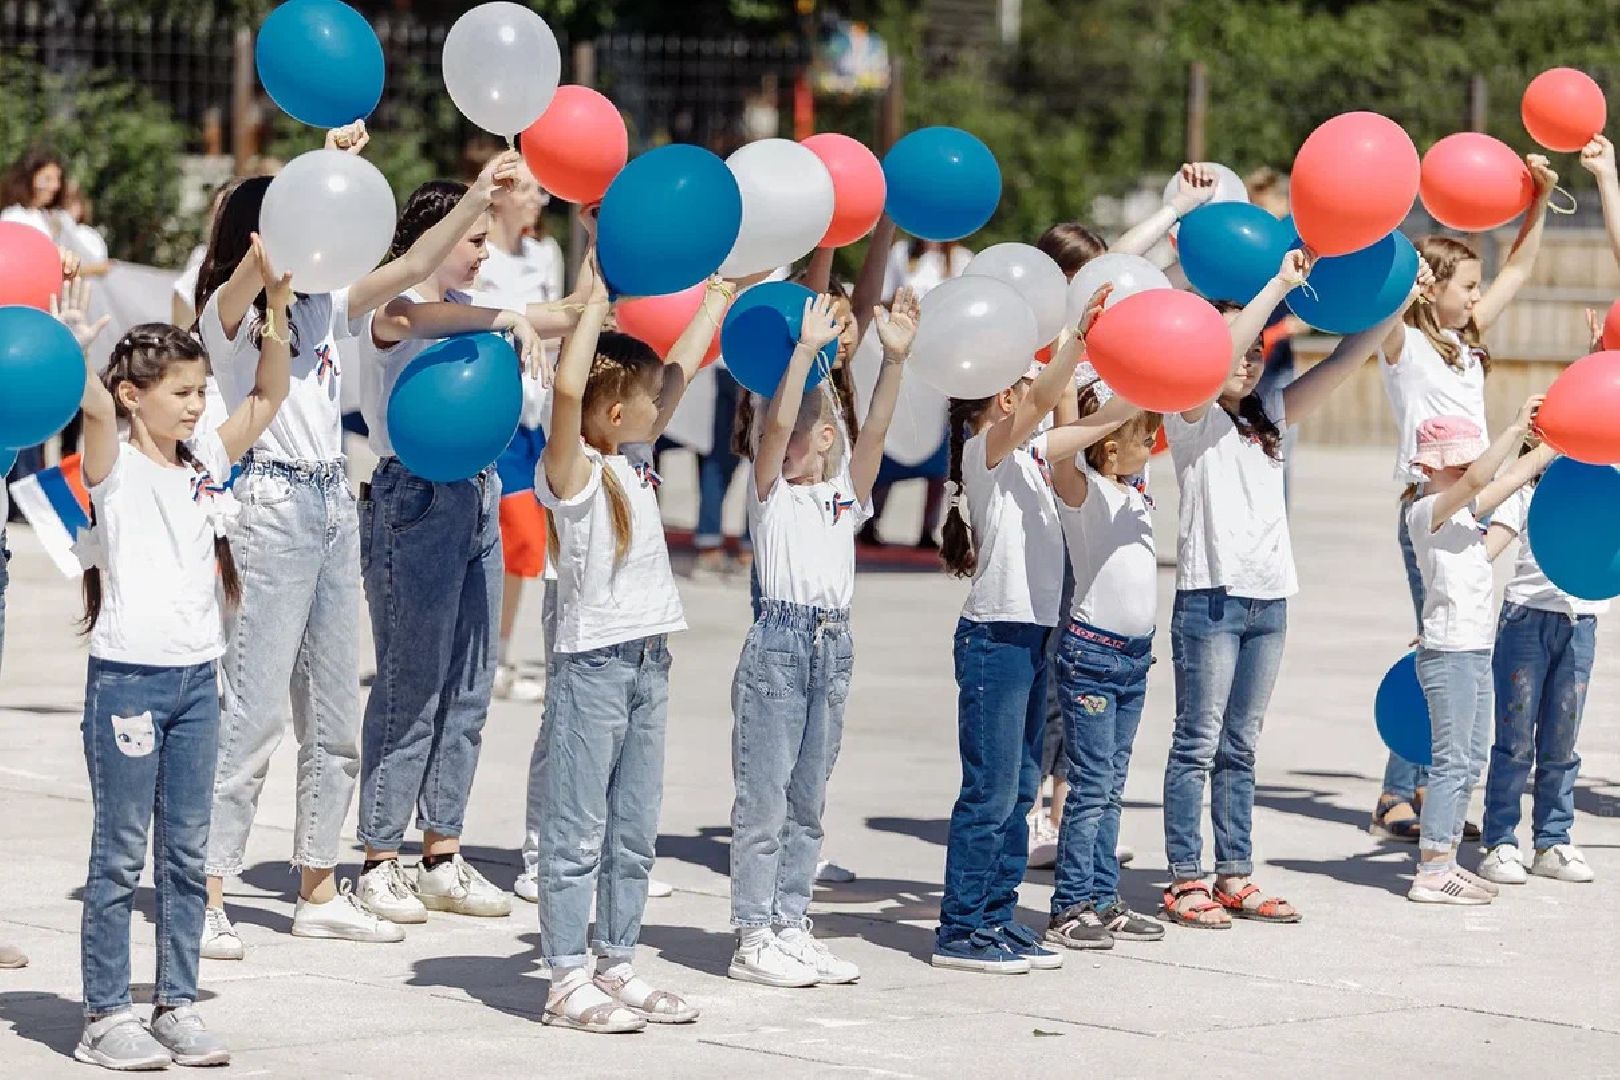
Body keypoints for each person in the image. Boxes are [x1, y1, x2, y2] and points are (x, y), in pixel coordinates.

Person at [194, 129, 528, 959]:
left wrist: (480, 195)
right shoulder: (226, 314)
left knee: (336, 718)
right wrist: (318, 172)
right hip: (270, 505)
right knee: (254, 714)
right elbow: (259, 274)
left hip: (332, 503)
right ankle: (205, 890)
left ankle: (317, 887)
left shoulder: (325, 305)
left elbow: (413, 265)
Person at [1159, 250, 1429, 929]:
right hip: (1211, 600)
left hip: (1269, 600)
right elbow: (1213, 364)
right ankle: (1186, 878)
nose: (1248, 360)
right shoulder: (1189, 414)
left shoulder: (1270, 414)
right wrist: (1278, 284)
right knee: (1197, 742)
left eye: (1257, 351)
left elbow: (1344, 360)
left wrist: (1399, 302)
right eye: (1237, 347)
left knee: (1240, 746)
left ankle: (1234, 874)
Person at [70, 239, 290, 1069]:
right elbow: (93, 408)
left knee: (187, 856)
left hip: (200, 683)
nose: (199, 406)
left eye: (201, 391)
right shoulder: (115, 466)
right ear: (135, 396)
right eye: (183, 392)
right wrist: (71, 343)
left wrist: (275, 311)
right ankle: (104, 1015)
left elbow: (270, 392)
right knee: (120, 854)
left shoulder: (209, 459)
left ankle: (175, 1004)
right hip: (128, 682)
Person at [348, 174, 568, 927]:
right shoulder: (392, 305)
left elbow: (563, 313)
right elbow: (414, 318)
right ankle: (379, 859)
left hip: (477, 492)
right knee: (411, 684)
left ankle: (441, 854)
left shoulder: (477, 307)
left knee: (471, 686)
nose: (483, 252)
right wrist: (509, 317)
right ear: (435, 241)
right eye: (473, 239)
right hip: (413, 498)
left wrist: (605, 265)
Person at [532, 249, 728, 1032]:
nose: (661, 405)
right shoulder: (573, 474)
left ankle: (616, 962)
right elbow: (568, 389)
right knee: (576, 831)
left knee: (633, 831)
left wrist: (714, 299)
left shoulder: (634, 459)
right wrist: (591, 307)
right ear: (615, 414)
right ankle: (565, 977)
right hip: (593, 671)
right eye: (647, 399)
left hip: (649, 661)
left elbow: (678, 371)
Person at [931, 289, 1142, 974]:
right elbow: (1042, 403)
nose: (1036, 396)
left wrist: (1146, 384)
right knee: (990, 791)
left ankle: (997, 916)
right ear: (1003, 399)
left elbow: (1095, 421)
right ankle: (962, 929)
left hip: (1032, 638)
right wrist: (1074, 338)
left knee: (1021, 790)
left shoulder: (1031, 456)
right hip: (995, 639)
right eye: (1025, 387)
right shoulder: (985, 452)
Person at [725, 289, 919, 988]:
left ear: (827, 438)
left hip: (832, 647)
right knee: (765, 798)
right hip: (780, 645)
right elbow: (777, 427)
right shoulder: (771, 495)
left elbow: (875, 435)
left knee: (808, 800)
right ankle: (753, 933)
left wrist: (893, 361)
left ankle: (790, 921)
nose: (772, 442)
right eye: (766, 435)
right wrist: (804, 352)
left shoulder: (842, 497)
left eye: (791, 435)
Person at [1024, 163, 1217, 866]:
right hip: (1063, 510)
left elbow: (1121, 264)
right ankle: (1038, 814)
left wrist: (1177, 211)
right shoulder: (1048, 339)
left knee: (1083, 674)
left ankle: (1071, 812)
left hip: (1112, 505)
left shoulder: (1105, 335)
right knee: (1061, 669)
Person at [1368, 154, 1557, 844]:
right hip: (1438, 505)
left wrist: (1540, 199)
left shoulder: (1465, 341)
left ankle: (1430, 784)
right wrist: (1403, 280)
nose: (1478, 296)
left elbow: (1521, 271)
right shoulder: (1405, 346)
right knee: (1440, 644)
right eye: (1467, 286)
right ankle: (1400, 789)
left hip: (1485, 501)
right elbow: (1379, 309)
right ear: (1433, 289)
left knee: (1459, 642)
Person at [1403, 406, 1555, 904]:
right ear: (1429, 466)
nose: (1470, 469)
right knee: (1450, 762)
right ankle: (1432, 871)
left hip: (1471, 651)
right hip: (1449, 654)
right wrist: (1513, 428)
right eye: (1460, 461)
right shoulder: (1426, 511)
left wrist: (1554, 442)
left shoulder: (1463, 517)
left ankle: (1445, 858)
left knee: (1468, 762)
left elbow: (1509, 479)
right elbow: (1478, 480)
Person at [1044, 385, 1168, 952]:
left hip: (1134, 658)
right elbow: (1064, 450)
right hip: (1093, 656)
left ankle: (1103, 896)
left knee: (1112, 785)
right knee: (1091, 785)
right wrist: (1071, 387)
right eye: (1144, 438)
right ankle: (1070, 905)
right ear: (1111, 449)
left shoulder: (1135, 490)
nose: (1153, 444)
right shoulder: (1084, 492)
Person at [1476, 433, 1603, 886]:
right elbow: (1487, 550)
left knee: (1562, 742)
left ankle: (1553, 840)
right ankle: (1500, 841)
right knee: (1515, 742)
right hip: (1525, 620)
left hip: (1579, 623)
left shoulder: (1602, 487)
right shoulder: (1526, 490)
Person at [473, 163, 565, 703]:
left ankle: (500, 656)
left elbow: (559, 322)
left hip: (535, 415)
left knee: (525, 547)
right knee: (515, 539)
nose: (538, 199)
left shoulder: (545, 254)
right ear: (501, 195)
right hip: (493, 414)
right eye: (529, 188)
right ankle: (487, 657)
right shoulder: (479, 255)